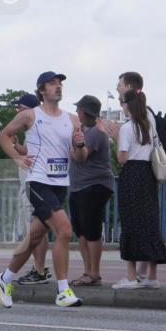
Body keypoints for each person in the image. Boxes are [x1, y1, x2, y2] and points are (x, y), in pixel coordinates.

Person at [0, 71, 88, 308]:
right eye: (52, 84)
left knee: (34, 238)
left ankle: (5, 279)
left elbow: (80, 158)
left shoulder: (72, 119)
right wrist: (16, 158)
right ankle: (63, 291)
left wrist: (81, 145)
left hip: (60, 185)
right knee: (64, 230)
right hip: (38, 182)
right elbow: (3, 136)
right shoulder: (30, 115)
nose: (58, 87)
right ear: (42, 90)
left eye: (60, 84)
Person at [113, 89, 166, 289]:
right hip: (148, 175)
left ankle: (131, 277)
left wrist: (114, 136)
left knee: (130, 224)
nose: (121, 105)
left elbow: (122, 158)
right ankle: (152, 277)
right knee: (149, 223)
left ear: (128, 105)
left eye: (122, 102)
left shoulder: (127, 128)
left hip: (131, 175)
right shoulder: (149, 126)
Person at [68, 95, 116, 286]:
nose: (77, 112)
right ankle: (88, 271)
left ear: (84, 111)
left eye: (79, 109)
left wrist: (71, 148)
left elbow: (81, 157)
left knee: (91, 229)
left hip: (94, 185)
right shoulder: (85, 130)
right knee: (81, 231)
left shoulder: (97, 132)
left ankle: (94, 272)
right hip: (79, 186)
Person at [10, 93, 51, 284]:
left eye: (19, 107)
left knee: (35, 229)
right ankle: (38, 268)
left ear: (27, 110)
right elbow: (29, 153)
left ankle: (39, 270)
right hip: (32, 183)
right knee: (34, 228)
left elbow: (33, 159)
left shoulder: (36, 128)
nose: (17, 111)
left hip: (33, 184)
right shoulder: (35, 128)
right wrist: (18, 147)